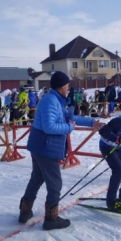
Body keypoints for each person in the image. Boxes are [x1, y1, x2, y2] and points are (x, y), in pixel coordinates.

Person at [19, 71, 104, 230]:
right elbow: (49, 127)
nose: (68, 87)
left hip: (40, 146)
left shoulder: (57, 100)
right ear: (61, 86)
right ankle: (51, 219)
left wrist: (92, 122)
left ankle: (25, 212)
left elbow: (70, 118)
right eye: (67, 85)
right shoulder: (50, 101)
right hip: (46, 148)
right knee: (55, 184)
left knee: (37, 179)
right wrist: (70, 128)